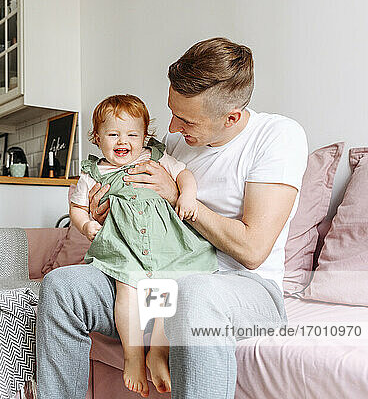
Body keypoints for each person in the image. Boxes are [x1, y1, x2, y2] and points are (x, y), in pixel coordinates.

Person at [36, 37, 308, 399]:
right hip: (156, 277)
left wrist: (178, 195)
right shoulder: (175, 143)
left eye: (187, 119)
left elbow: (253, 249)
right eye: (172, 112)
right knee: (62, 287)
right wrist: (104, 213)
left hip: (244, 289)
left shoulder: (276, 137)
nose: (173, 128)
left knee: (193, 292)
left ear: (232, 118)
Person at [69, 94, 216, 396]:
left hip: (164, 243)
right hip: (123, 246)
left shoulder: (155, 159)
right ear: (97, 138)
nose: (123, 141)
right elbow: (77, 207)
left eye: (132, 134)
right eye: (113, 134)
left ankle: (158, 351)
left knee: (168, 287)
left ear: (145, 136)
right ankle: (133, 354)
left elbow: (184, 175)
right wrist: (87, 225)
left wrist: (187, 196)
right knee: (128, 291)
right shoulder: (92, 174)